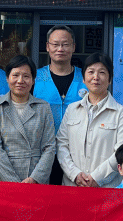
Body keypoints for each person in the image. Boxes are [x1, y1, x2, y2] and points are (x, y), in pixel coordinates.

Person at [56, 53, 123, 188]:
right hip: (72, 186)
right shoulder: (72, 110)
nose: (96, 77)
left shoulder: (121, 113)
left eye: (102, 72)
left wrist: (96, 178)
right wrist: (75, 174)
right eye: (91, 72)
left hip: (106, 188)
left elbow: (122, 151)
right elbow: (61, 144)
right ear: (83, 78)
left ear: (110, 79)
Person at [0, 54, 56, 183]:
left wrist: (35, 179)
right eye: (15, 75)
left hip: (36, 179)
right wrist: (14, 182)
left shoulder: (43, 108)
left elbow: (49, 147)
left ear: (33, 80)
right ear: (7, 78)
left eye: (26, 76)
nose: (20, 81)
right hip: (5, 179)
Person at [34, 25, 86, 183]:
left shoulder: (86, 78)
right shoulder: (35, 78)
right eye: (55, 44)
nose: (60, 49)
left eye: (65, 44)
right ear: (47, 47)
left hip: (77, 153)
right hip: (42, 152)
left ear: (73, 47)